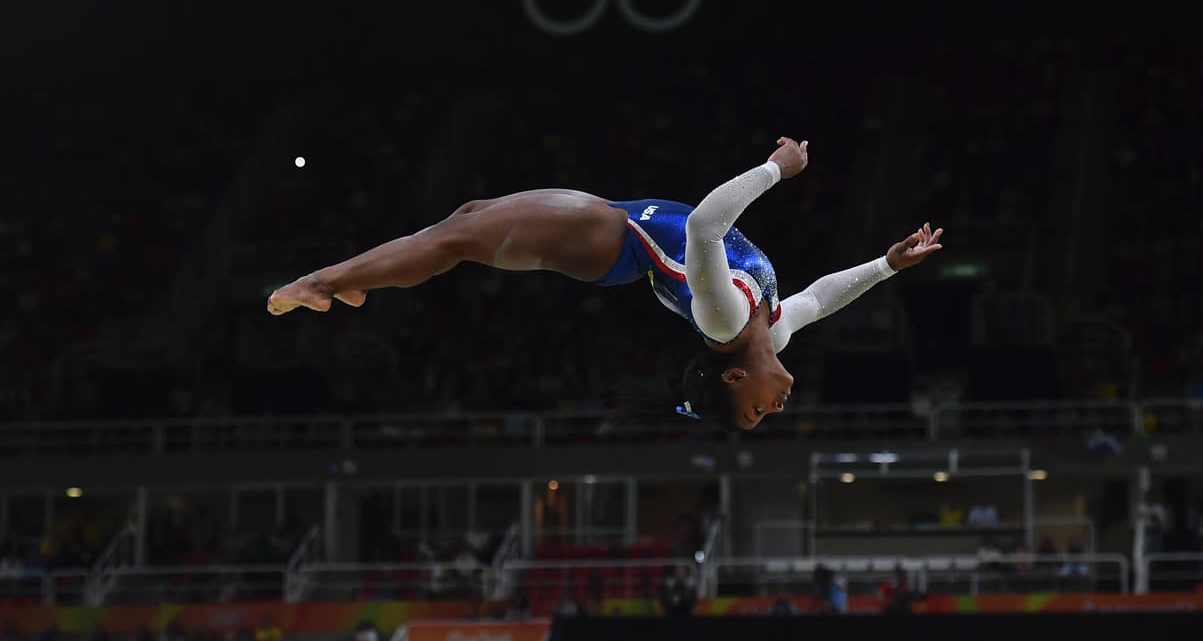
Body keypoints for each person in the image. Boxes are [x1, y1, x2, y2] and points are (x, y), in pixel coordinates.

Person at [268, 138, 943, 430]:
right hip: (614, 224)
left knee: (455, 240)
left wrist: (774, 170)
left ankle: (324, 281)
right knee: (467, 222)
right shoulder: (773, 325)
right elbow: (822, 295)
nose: (780, 406)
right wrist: (887, 264)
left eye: (760, 410)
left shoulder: (722, 320)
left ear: (737, 380)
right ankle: (355, 283)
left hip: (610, 239)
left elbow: (707, 225)